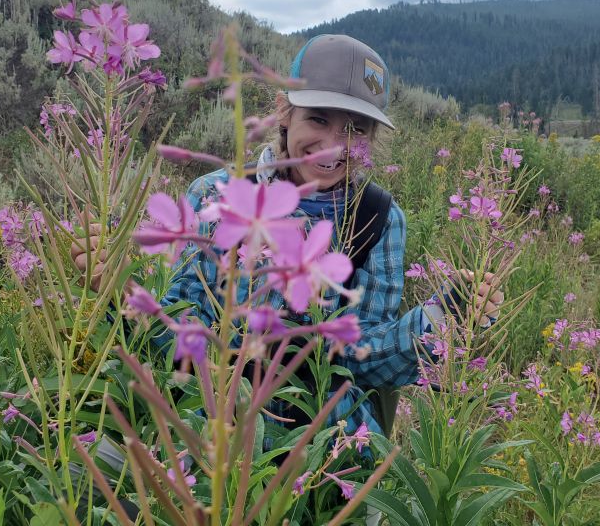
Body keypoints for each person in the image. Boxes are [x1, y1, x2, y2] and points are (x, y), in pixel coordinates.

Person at [73, 33, 504, 436]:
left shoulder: (379, 218)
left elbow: (367, 356)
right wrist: (118, 290)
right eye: (318, 119)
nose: (335, 145)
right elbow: (179, 331)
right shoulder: (216, 195)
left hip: (321, 444)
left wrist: (444, 317)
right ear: (283, 110)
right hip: (211, 427)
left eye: (355, 130)